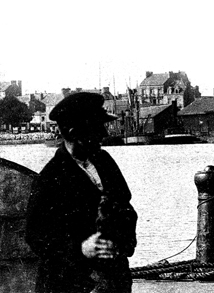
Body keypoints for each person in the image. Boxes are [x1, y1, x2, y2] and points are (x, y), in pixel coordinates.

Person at [26, 92, 138, 293]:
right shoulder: (50, 178)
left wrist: (122, 243)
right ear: (73, 132)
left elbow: (127, 209)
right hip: (70, 284)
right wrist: (81, 248)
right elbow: (37, 237)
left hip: (113, 280)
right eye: (97, 127)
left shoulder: (105, 161)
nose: (104, 133)